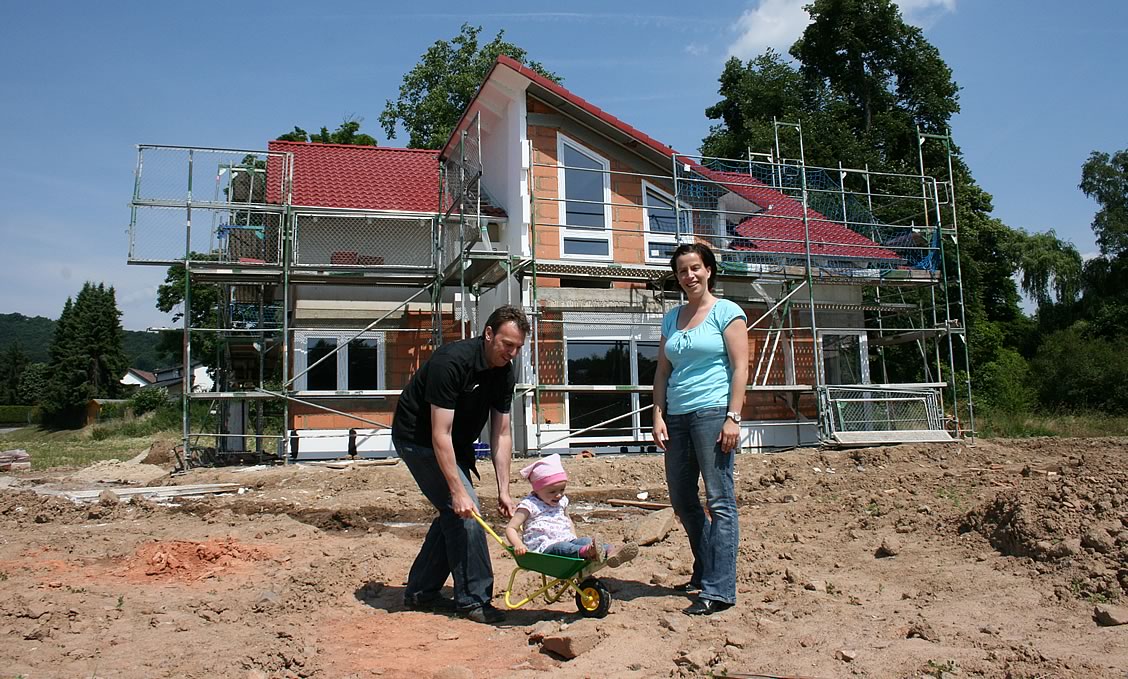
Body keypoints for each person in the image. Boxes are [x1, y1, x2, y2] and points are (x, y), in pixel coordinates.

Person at [392, 304, 530, 624]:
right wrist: (456, 489)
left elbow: (502, 434)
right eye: (507, 344)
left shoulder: (505, 373)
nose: (512, 353)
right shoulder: (451, 362)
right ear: (488, 334)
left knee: (455, 513)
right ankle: (473, 601)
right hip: (419, 440)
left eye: (518, 348)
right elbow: (440, 433)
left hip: (455, 444)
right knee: (468, 514)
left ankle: (421, 592)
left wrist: (505, 491)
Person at [651, 243, 748, 616]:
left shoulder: (727, 312)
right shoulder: (671, 318)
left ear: (708, 270)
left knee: (720, 501)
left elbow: (740, 367)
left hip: (712, 415)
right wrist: (657, 414)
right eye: (681, 271)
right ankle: (707, 567)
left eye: (695, 268)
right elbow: (662, 371)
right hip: (676, 416)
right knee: (682, 500)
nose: (688, 276)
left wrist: (733, 417)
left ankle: (719, 589)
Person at [504, 453, 639, 566]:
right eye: (552, 492)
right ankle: (589, 552)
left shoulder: (561, 501)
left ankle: (611, 552)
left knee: (585, 541)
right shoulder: (529, 505)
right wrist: (518, 544)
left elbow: (567, 520)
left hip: (567, 540)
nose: (558, 495)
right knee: (562, 548)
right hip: (544, 549)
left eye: (562, 490)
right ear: (537, 489)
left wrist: (574, 537)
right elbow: (511, 528)